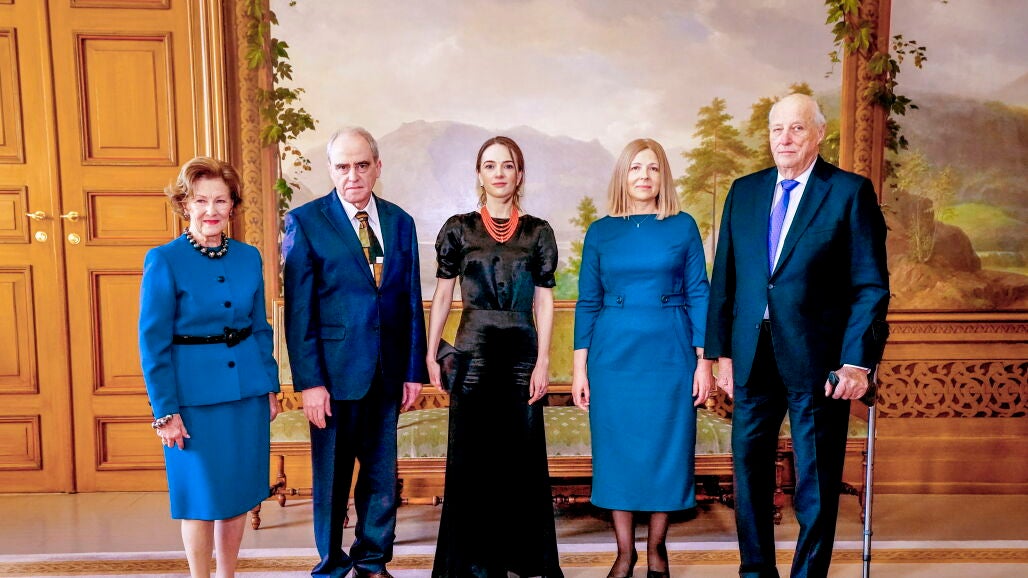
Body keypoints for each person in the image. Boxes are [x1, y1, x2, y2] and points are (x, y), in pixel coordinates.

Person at [705, 93, 890, 578]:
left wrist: (856, 362)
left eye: (796, 128)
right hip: (751, 354)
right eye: (776, 129)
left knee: (816, 481)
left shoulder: (849, 192)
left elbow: (870, 285)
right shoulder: (744, 192)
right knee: (749, 476)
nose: (784, 139)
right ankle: (755, 572)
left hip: (819, 359)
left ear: (819, 134)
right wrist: (721, 354)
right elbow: (725, 279)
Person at [283, 127, 428, 578]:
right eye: (343, 166)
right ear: (331, 170)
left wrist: (413, 371)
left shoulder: (401, 222)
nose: (353, 175)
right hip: (333, 376)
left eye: (362, 165)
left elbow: (410, 301)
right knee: (332, 477)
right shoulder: (306, 222)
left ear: (377, 167)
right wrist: (310, 383)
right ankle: (331, 564)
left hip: (387, 373)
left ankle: (372, 561)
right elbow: (299, 312)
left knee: (381, 477)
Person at [572, 139, 713, 578]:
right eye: (635, 168)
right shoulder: (600, 232)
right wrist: (579, 370)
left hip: (670, 355)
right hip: (612, 358)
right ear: (623, 175)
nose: (644, 176)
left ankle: (656, 549)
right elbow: (587, 301)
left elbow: (699, 293)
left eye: (652, 168)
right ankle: (624, 553)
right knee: (616, 453)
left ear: (663, 175)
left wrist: (704, 361)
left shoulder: (683, 226)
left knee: (667, 449)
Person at [426, 136, 564, 578]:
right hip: (473, 353)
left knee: (520, 459)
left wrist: (543, 362)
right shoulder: (459, 229)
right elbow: (443, 295)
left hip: (522, 353)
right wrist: (430, 351)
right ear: (479, 174)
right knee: (472, 459)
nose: (499, 173)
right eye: (490, 165)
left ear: (519, 174)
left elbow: (544, 301)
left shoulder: (539, 232)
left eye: (507, 165)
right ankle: (474, 565)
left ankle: (520, 561)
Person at [139, 156, 281, 578]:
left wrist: (270, 386)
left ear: (232, 205)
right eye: (201, 200)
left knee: (237, 496)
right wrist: (164, 411)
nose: (211, 210)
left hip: (246, 394)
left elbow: (260, 328)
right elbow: (152, 344)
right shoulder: (164, 260)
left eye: (221, 200)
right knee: (200, 500)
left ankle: (227, 575)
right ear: (185, 204)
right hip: (192, 401)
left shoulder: (248, 257)